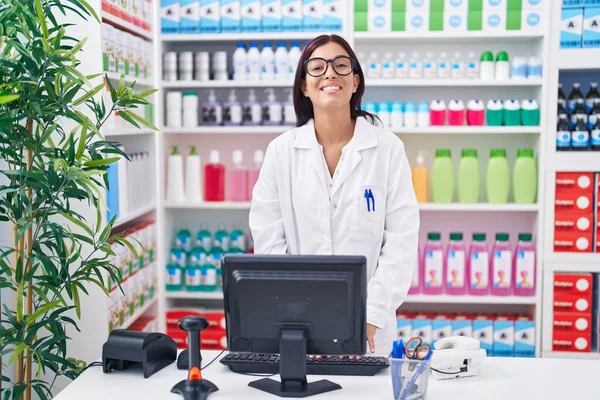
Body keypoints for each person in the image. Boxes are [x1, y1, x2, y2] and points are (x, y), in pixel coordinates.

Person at [248, 34, 420, 356]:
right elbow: (269, 241)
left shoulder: (387, 149)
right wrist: (295, 310)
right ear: (304, 85)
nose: (330, 73)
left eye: (341, 65)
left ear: (355, 82)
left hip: (371, 327)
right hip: (298, 324)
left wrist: (372, 314)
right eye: (317, 67)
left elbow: (401, 239)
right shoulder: (281, 152)